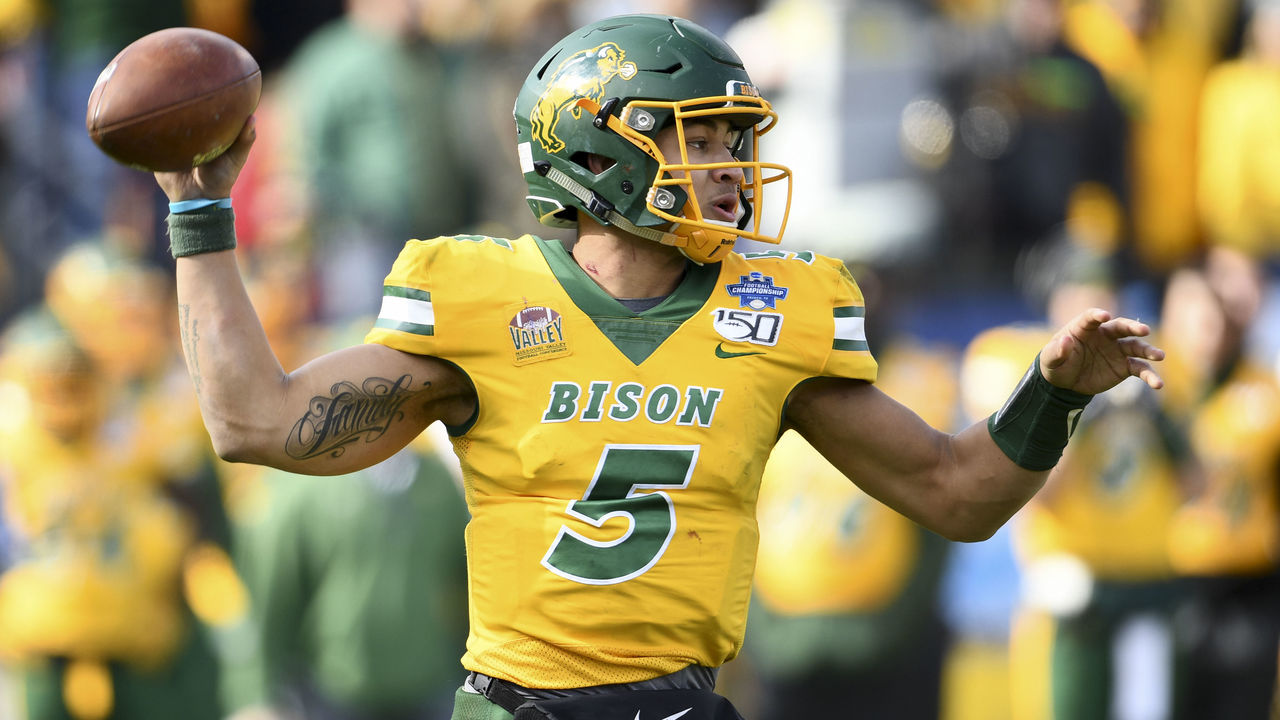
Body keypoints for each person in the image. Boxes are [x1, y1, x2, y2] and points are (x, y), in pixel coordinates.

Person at [147, 14, 1164, 720]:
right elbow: (257, 422)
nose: (729, 169)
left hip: (683, 709)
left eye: (734, 139)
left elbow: (956, 494)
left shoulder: (777, 312)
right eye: (698, 139)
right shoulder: (480, 296)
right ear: (596, 149)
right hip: (518, 711)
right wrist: (198, 214)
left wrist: (1054, 394)